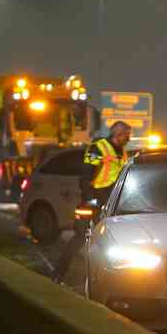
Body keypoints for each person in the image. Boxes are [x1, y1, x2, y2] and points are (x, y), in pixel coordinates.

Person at [51, 121, 132, 284]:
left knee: (107, 240)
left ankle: (104, 279)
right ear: (118, 134)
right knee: (80, 237)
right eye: (127, 135)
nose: (129, 138)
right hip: (94, 198)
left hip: (110, 200)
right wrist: (90, 199)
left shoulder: (122, 151)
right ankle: (58, 274)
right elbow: (85, 176)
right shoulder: (97, 148)